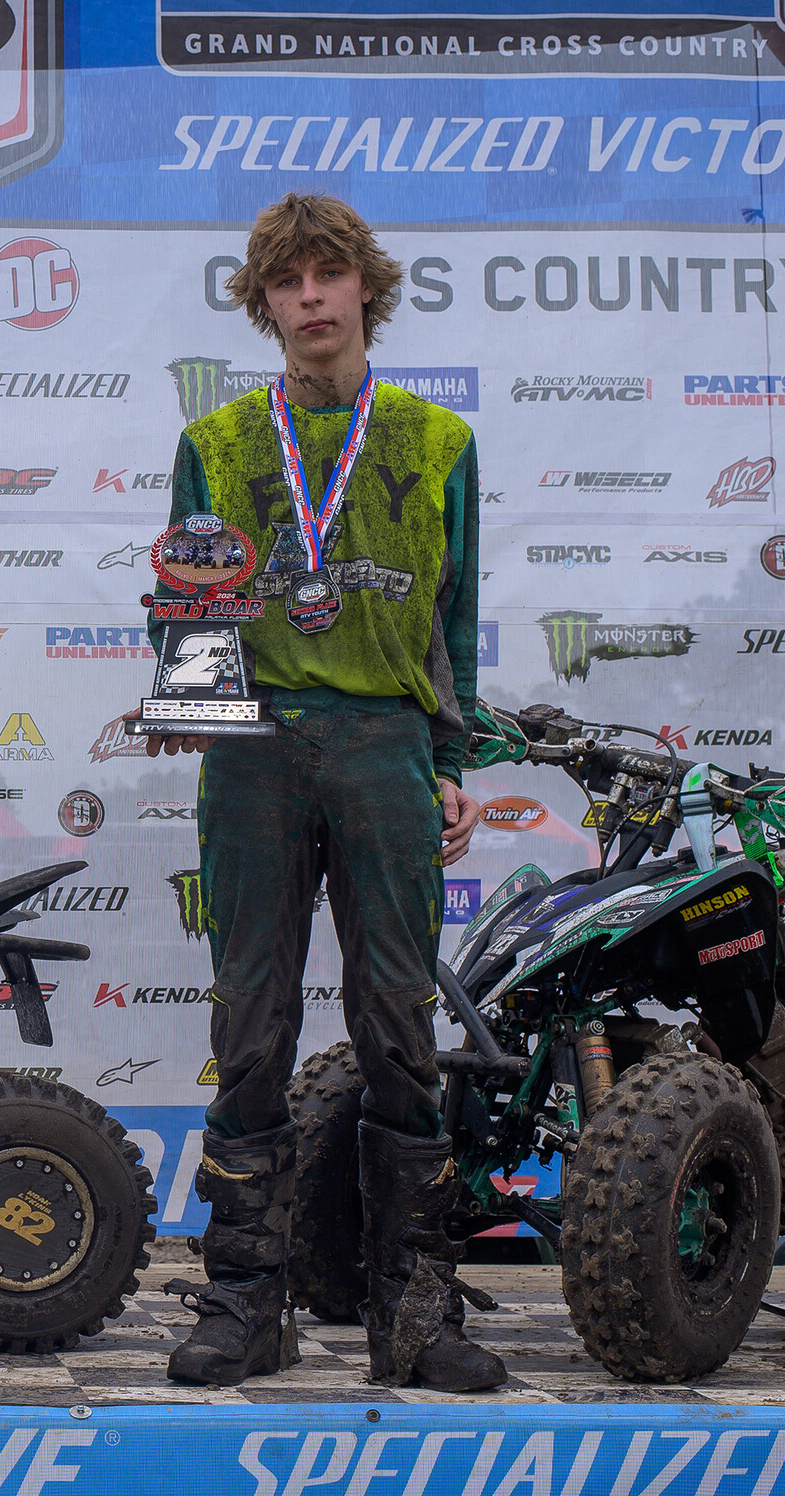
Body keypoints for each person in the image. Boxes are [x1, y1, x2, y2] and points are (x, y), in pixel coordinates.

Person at [141, 194, 499, 1392]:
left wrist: (448, 762)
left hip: (383, 741)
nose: (309, 297)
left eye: (328, 275)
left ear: (364, 290)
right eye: (286, 281)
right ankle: (246, 1302)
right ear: (262, 303)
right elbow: (188, 597)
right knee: (250, 1025)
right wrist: (184, 692)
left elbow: (456, 621)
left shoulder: (439, 441)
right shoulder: (221, 439)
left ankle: (415, 1311)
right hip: (250, 748)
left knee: (399, 1023)